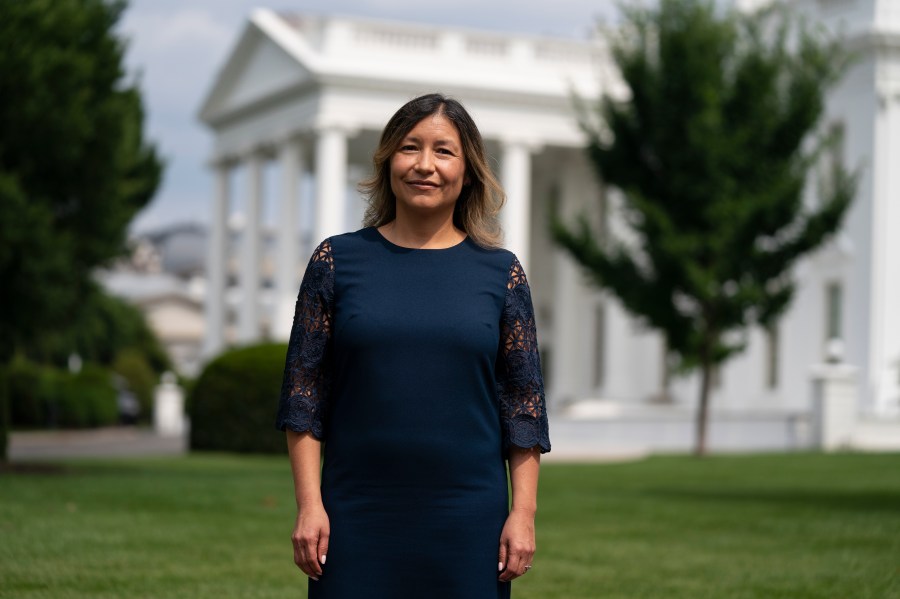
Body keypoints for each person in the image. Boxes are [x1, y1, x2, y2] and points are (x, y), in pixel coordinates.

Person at [276, 92, 550, 599]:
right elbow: (304, 397)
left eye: (444, 151)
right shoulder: (335, 262)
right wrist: (309, 505)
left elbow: (523, 407)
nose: (425, 165)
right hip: (355, 514)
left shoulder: (501, 273)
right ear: (387, 162)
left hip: (469, 517)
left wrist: (523, 513)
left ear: (468, 171)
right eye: (410, 148)